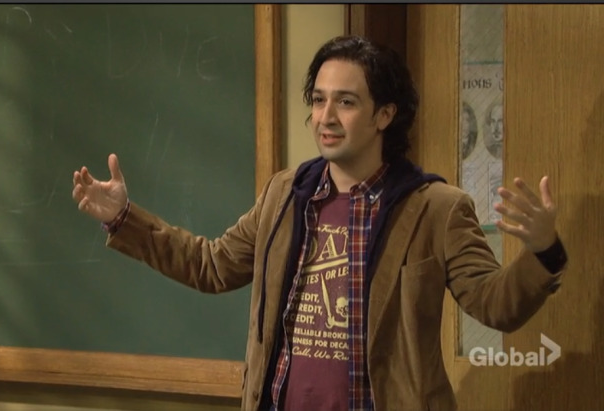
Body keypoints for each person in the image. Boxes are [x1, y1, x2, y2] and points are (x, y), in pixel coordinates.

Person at [72, 36, 567, 411]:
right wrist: (124, 218)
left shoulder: (436, 208)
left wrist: (543, 251)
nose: (326, 116)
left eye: (345, 102)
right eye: (318, 99)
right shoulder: (285, 194)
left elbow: (494, 305)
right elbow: (212, 266)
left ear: (384, 115)